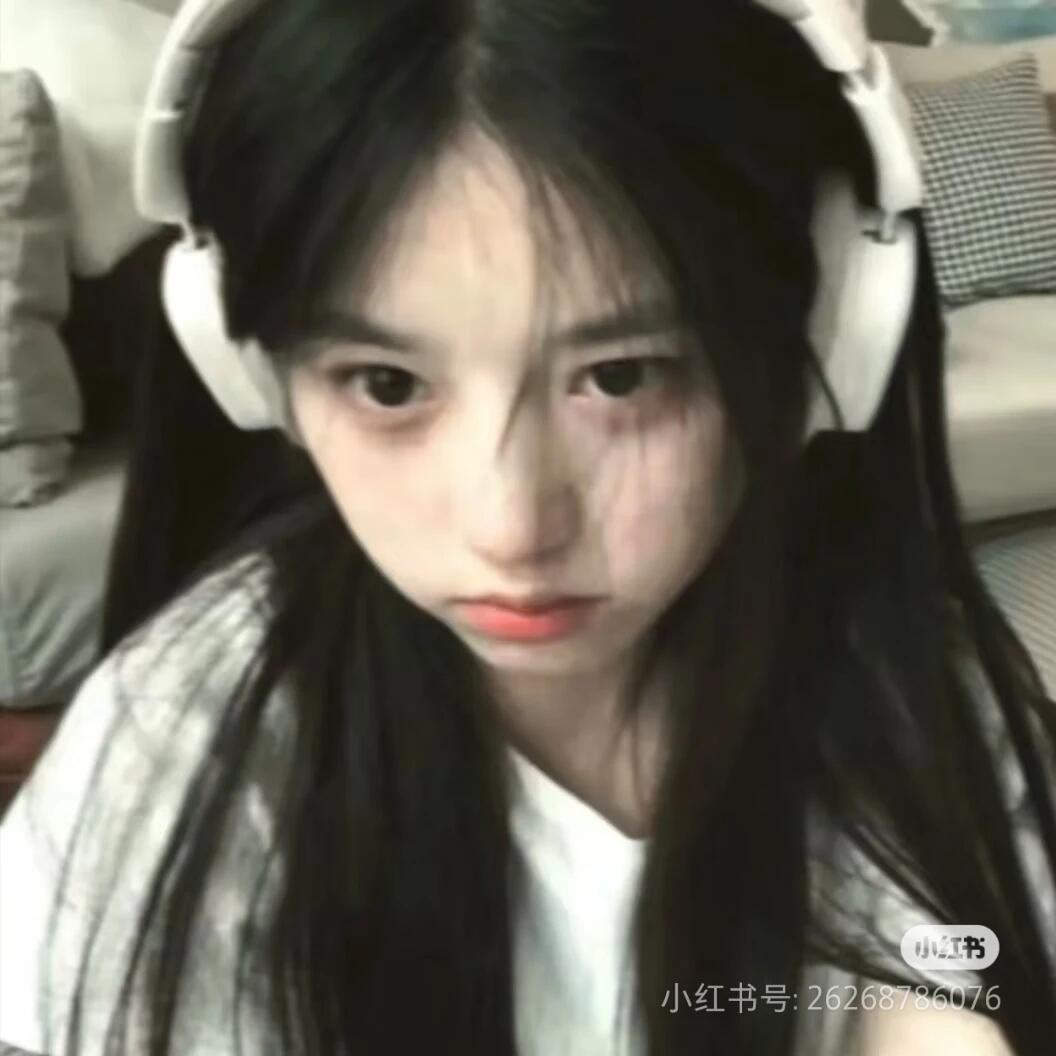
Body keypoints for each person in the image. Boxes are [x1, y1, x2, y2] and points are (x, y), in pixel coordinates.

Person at [1, 0, 1054, 1053]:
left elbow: (938, 986)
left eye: (622, 376)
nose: (510, 530)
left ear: (828, 336)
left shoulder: (908, 691)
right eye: (385, 383)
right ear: (256, 375)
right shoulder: (178, 758)